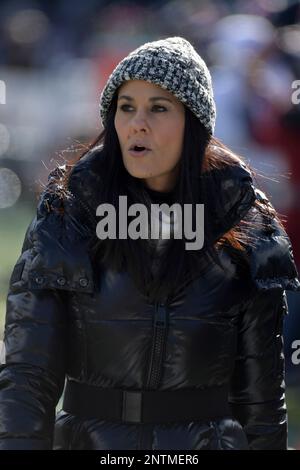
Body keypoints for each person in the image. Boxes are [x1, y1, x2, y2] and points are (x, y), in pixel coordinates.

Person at [0, 36, 299, 451]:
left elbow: (262, 400)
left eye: (158, 108)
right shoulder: (68, 214)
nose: (138, 123)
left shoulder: (245, 221)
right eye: (126, 108)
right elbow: (27, 373)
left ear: (193, 123)